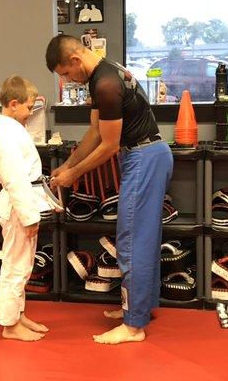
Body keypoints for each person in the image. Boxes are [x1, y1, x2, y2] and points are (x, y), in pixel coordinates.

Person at [46, 35, 173, 344]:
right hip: (146, 155)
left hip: (143, 156)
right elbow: (94, 131)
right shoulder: (103, 74)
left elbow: (109, 146)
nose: (66, 80)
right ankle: (140, 309)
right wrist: (68, 164)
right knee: (142, 237)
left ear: (75, 60)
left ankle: (133, 326)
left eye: (64, 73)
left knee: (132, 240)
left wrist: (73, 175)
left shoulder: (105, 83)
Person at [0, 75, 50, 342]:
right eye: (28, 107)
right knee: (15, 266)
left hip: (22, 204)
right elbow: (15, 181)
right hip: (18, 208)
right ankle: (9, 325)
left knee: (23, 266)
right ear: (13, 104)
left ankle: (18, 315)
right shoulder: (5, 137)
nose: (30, 112)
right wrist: (30, 217)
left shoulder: (11, 129)